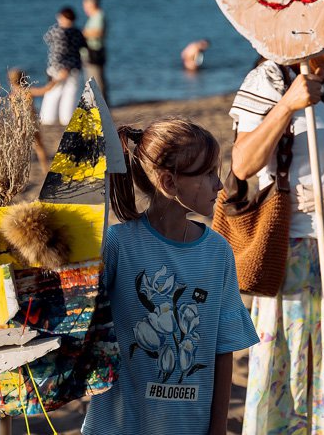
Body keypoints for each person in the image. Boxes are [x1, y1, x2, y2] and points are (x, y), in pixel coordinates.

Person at [231, 28, 324, 434]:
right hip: (302, 252)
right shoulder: (269, 78)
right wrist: (288, 105)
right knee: (297, 376)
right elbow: (243, 164)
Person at [82, 118, 259, 435]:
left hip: (189, 426)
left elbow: (223, 349)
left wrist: (217, 429)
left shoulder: (217, 252)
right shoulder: (118, 245)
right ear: (169, 183)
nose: (219, 185)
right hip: (120, 425)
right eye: (208, 174)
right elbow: (81, 323)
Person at [40, 7, 85, 126]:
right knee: (69, 93)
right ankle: (66, 120)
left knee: (54, 93)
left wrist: (62, 68)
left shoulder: (57, 31)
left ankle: (48, 120)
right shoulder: (76, 31)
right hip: (73, 66)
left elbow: (55, 48)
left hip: (58, 68)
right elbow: (83, 46)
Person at [7, 68, 55, 175]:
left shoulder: (12, 96)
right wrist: (55, 81)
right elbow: (45, 90)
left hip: (20, 125)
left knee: (20, 150)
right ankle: (45, 168)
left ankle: (18, 171)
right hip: (31, 122)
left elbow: (13, 113)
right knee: (39, 146)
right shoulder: (28, 91)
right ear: (24, 78)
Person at [82, 0, 108, 99]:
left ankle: (101, 107)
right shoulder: (94, 17)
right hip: (91, 53)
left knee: (96, 81)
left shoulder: (99, 15)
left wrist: (82, 34)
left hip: (94, 53)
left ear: (91, 4)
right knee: (93, 81)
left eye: (85, 4)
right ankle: (96, 105)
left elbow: (99, 32)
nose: (84, 8)